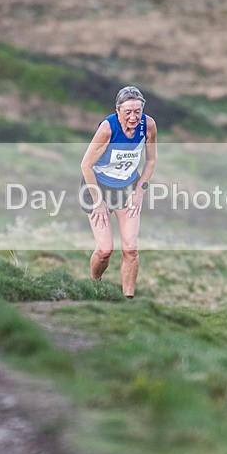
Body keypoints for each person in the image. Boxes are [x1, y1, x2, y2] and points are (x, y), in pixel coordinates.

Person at [80, 86, 157, 298]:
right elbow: (85, 166)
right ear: (118, 110)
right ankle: (94, 286)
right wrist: (98, 202)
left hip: (127, 188)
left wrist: (140, 191)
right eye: (127, 112)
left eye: (137, 111)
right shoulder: (107, 129)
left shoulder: (148, 125)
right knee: (105, 250)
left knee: (131, 249)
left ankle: (128, 300)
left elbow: (151, 160)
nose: (133, 117)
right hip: (97, 187)